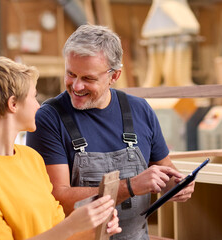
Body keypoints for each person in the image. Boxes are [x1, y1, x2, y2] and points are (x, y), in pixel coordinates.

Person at [26, 24, 195, 240]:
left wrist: (176, 185)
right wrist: (131, 186)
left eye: (88, 78)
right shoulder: (49, 118)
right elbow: (58, 198)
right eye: (71, 74)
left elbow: (165, 169)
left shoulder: (139, 110)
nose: (76, 86)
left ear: (114, 76)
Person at [0, 56, 121, 239]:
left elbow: (56, 231)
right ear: (13, 104)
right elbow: (62, 230)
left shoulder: (32, 159)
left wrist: (92, 229)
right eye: (34, 96)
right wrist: (71, 225)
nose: (38, 106)